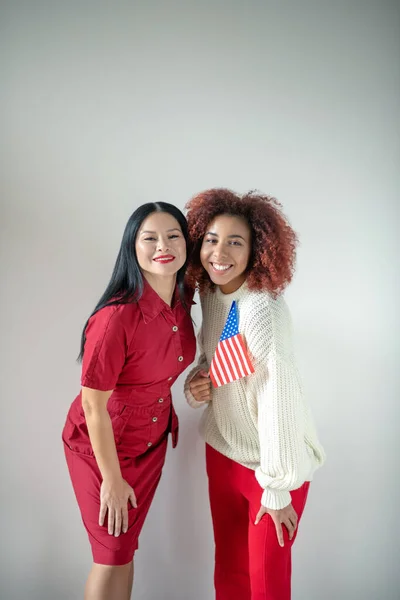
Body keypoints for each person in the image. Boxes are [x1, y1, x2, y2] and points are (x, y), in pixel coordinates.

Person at [184, 188, 325, 600]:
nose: (219, 252)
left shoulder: (263, 311)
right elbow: (217, 362)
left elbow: (278, 399)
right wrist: (199, 383)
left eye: (235, 242)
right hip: (223, 452)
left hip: (273, 466)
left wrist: (278, 486)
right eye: (211, 239)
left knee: (266, 586)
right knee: (229, 575)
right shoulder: (211, 294)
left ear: (257, 250)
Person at [62, 202, 196, 600]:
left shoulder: (183, 303)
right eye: (149, 238)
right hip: (103, 447)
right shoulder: (117, 316)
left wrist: (199, 381)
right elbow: (92, 407)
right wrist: (113, 480)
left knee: (124, 549)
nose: (163, 246)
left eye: (173, 235)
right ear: (131, 248)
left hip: (150, 443)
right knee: (111, 554)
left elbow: (169, 365)